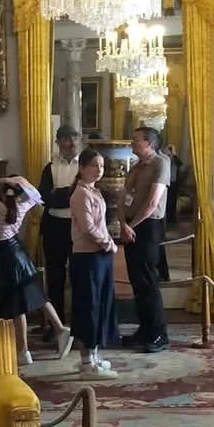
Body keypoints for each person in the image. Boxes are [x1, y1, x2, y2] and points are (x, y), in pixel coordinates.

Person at [0, 175, 72, 367]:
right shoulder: (25, 203)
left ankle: (24, 350)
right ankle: (59, 329)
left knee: (18, 304)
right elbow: (37, 193)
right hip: (17, 250)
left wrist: (2, 179)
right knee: (34, 292)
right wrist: (20, 180)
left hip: (4, 253)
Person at [120, 125, 170, 352]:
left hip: (147, 227)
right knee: (137, 282)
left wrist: (131, 226)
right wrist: (123, 223)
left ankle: (159, 334)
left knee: (148, 281)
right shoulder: (137, 166)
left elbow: (152, 203)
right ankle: (145, 330)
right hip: (130, 227)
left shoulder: (161, 163)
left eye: (135, 138)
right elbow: (126, 196)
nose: (132, 142)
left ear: (148, 143)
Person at [69, 146, 119, 379]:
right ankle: (87, 361)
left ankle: (96, 355)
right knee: (88, 306)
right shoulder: (80, 194)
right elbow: (88, 227)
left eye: (101, 166)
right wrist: (107, 243)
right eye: (93, 166)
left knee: (101, 304)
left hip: (100, 255)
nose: (99, 170)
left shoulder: (95, 192)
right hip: (87, 256)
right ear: (81, 168)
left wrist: (107, 242)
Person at [38, 124, 80, 328]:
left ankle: (79, 324)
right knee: (55, 278)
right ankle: (57, 326)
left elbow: (87, 195)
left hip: (79, 226)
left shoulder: (86, 166)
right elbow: (45, 198)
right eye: (66, 139)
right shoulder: (50, 167)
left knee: (79, 275)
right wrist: (69, 193)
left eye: (74, 139)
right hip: (54, 226)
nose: (70, 144)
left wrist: (60, 193)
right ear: (58, 142)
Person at [165, 144, 182, 225]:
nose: (170, 152)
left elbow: (180, 164)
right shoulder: (164, 159)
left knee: (173, 201)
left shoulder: (175, 160)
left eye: (171, 150)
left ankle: (171, 219)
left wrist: (174, 154)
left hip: (174, 183)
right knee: (167, 202)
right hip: (166, 183)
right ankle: (168, 219)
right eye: (169, 150)